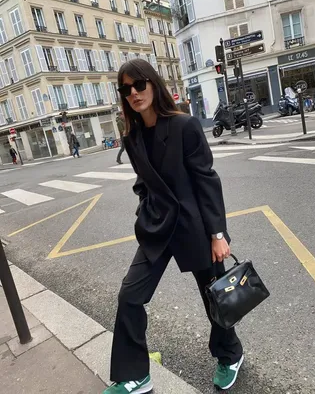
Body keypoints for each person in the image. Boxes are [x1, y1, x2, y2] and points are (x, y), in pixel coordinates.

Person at [103, 59, 243, 394]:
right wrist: (144, 208)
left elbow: (206, 180)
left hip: (193, 226)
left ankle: (230, 355)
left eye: (139, 85)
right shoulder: (133, 137)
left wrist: (217, 234)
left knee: (214, 298)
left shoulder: (185, 126)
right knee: (130, 296)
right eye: (126, 89)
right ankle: (136, 375)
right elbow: (143, 182)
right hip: (156, 227)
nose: (134, 93)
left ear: (153, 83)